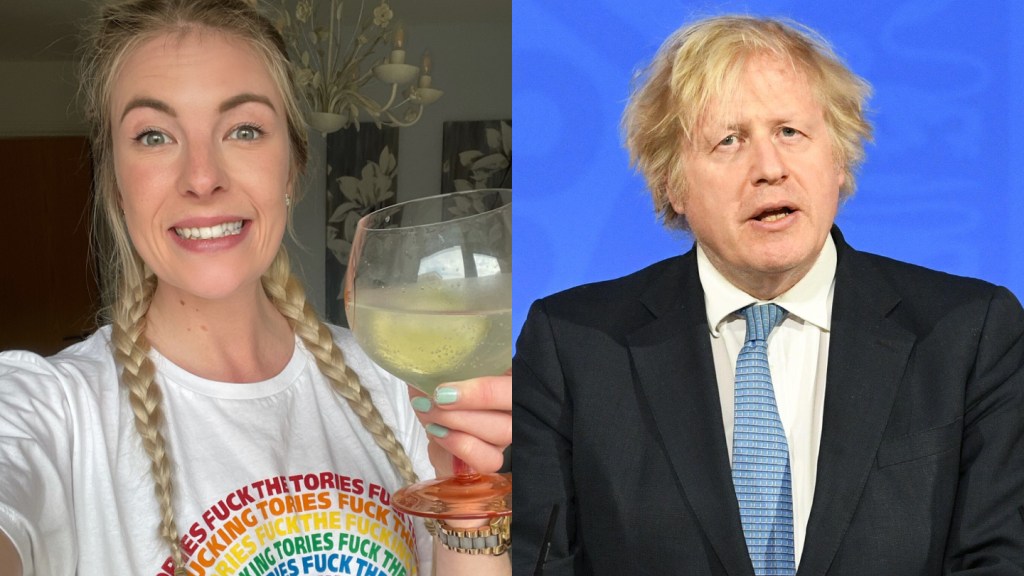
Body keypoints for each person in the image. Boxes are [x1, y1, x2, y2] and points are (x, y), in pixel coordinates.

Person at [0, 1, 511, 574]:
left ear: (291, 167)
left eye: (244, 130)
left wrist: (468, 499)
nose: (201, 178)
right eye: (153, 136)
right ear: (117, 183)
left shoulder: (396, 384)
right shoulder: (47, 410)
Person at [513, 14, 1024, 576]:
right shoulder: (574, 345)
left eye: (790, 132)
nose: (769, 168)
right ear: (671, 184)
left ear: (839, 157)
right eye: (728, 140)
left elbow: (999, 557)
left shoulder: (970, 332)